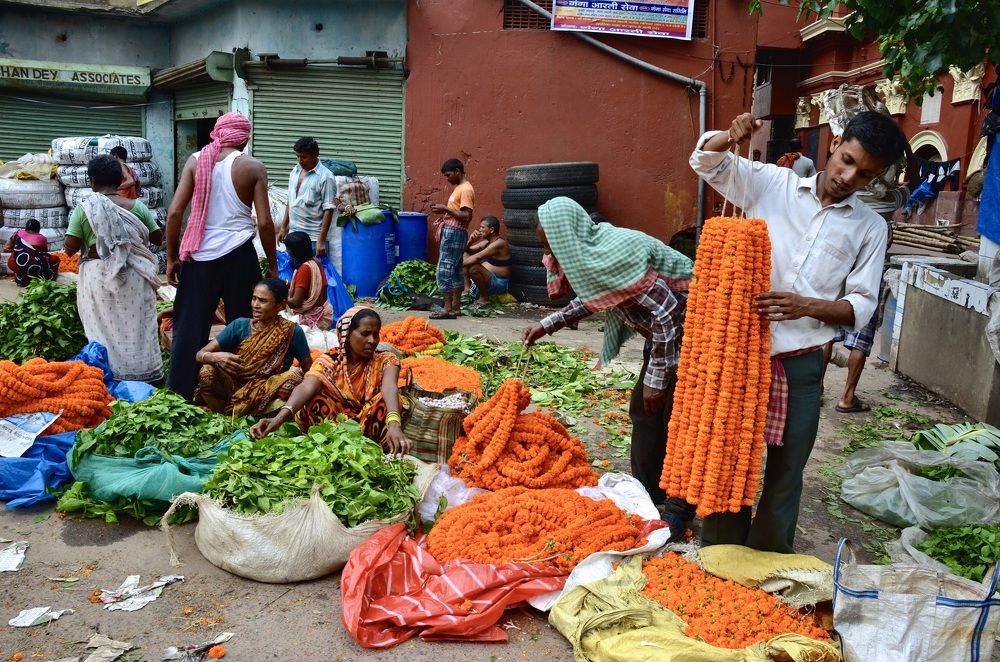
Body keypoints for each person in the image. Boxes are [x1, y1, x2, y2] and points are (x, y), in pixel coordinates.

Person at [690, 110, 907, 552]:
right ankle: (720, 550)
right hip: (738, 353)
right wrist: (729, 136)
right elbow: (706, 162)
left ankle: (768, 556)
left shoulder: (869, 227)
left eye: (865, 174)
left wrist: (804, 305)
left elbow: (862, 305)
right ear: (835, 143)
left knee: (788, 468)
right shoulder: (773, 184)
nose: (848, 177)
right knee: (727, 456)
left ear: (878, 177)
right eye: (847, 160)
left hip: (802, 362)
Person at [521, 197, 696, 540]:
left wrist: (657, 379)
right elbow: (594, 297)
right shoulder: (593, 255)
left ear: (567, 236)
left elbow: (667, 311)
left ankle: (679, 508)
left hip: (695, 333)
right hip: (664, 336)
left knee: (678, 419)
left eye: (550, 245)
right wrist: (548, 324)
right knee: (644, 412)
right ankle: (648, 492)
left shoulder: (617, 251)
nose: (548, 256)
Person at [165, 111, 278, 400]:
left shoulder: (195, 161)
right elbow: (265, 223)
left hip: (198, 256)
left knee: (189, 327)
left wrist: (171, 258)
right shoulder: (252, 167)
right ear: (244, 139)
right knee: (244, 324)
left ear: (217, 133)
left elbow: (175, 212)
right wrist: (273, 266)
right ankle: (240, 393)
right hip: (239, 255)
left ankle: (179, 395)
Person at [250, 306, 413, 457]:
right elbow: (307, 386)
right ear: (347, 335)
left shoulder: (385, 360)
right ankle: (330, 446)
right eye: (365, 334)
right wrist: (278, 419)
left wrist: (394, 423)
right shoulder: (330, 360)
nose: (372, 340)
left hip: (369, 425)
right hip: (334, 427)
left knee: (394, 401)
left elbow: (389, 387)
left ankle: (374, 447)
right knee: (313, 398)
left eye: (375, 334)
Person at [63, 154, 163, 382]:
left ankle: (109, 376)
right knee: (137, 327)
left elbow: (70, 248)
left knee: (103, 328)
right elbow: (157, 238)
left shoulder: (85, 209)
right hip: (135, 274)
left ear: (92, 182)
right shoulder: (137, 207)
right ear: (120, 181)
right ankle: (144, 376)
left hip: (99, 276)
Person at [194, 278, 311, 417]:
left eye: (262, 301)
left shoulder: (292, 331)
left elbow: (308, 369)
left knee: (294, 378)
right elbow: (200, 354)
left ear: (280, 305)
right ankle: (224, 412)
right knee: (207, 372)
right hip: (231, 387)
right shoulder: (239, 325)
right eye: (254, 298)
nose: (255, 305)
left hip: (265, 392)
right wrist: (216, 357)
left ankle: (256, 414)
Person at [276, 137, 337, 260]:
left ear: (316, 154)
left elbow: (329, 210)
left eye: (303, 157)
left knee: (313, 271)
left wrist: (321, 241)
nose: (300, 160)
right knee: (294, 271)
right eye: (297, 156)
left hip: (312, 240)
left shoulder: (326, 177)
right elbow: (291, 200)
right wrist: (283, 227)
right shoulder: (295, 171)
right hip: (293, 237)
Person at [430, 158, 474, 319]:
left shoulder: (466, 189)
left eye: (448, 175)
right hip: (455, 231)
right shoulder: (460, 188)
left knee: (444, 269)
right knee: (455, 270)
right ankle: (455, 307)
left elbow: (466, 215)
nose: (447, 179)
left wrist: (445, 209)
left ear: (457, 171)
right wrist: (445, 211)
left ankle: (447, 309)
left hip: (454, 232)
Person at [284, 230, 333, 329]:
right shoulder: (316, 262)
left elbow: (295, 303)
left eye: (288, 249)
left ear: (293, 252)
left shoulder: (304, 269)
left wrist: (282, 296)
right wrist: (285, 284)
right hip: (323, 313)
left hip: (311, 320)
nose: (287, 252)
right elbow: (312, 286)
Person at [463, 215, 511, 304]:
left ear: (492, 230)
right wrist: (470, 241)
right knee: (465, 255)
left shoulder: (499, 244)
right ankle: (467, 290)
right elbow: (466, 251)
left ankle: (484, 297)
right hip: (489, 280)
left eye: (482, 227)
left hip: (499, 283)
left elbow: (478, 257)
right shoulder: (486, 243)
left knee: (474, 268)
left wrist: (455, 265)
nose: (479, 230)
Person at [4, 218, 59, 287]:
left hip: (13, 264)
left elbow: (6, 248)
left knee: (18, 255)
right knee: (54, 259)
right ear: (38, 229)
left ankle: (20, 278)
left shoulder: (17, 233)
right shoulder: (41, 239)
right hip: (29, 266)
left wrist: (17, 248)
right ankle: (48, 279)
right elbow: (44, 253)